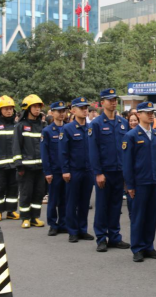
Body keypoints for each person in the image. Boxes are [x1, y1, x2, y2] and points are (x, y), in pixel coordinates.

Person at [88, 88, 131, 252]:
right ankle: (101, 237)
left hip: (119, 171)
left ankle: (114, 236)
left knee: (116, 205)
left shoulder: (123, 123)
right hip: (104, 172)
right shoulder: (96, 124)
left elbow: (126, 150)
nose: (113, 102)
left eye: (115, 100)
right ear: (102, 102)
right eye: (110, 100)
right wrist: (98, 173)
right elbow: (93, 150)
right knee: (102, 206)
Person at [123, 101, 156, 262]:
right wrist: (130, 185)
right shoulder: (131, 136)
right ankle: (138, 248)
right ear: (138, 115)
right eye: (147, 112)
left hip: (153, 182)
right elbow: (127, 164)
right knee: (138, 216)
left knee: (151, 216)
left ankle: (149, 246)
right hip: (139, 183)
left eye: (152, 111)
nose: (150, 114)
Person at [59, 97, 94, 242]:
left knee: (85, 202)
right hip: (74, 170)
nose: (85, 110)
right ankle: (72, 230)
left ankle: (82, 229)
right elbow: (63, 152)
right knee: (72, 202)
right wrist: (65, 170)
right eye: (81, 108)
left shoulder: (91, 127)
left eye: (86, 107)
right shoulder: (67, 128)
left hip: (88, 170)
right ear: (73, 110)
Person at [13, 94, 46, 229]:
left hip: (40, 167)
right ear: (28, 109)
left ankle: (34, 217)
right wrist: (19, 165)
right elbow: (16, 146)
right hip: (26, 168)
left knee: (38, 193)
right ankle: (25, 218)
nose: (37, 110)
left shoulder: (42, 125)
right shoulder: (20, 126)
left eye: (38, 107)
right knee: (26, 193)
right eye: (34, 107)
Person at [41, 101, 68, 236]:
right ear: (52, 113)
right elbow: (45, 153)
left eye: (63, 111)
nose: (62, 114)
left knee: (65, 198)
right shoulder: (47, 131)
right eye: (59, 111)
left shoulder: (67, 129)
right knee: (53, 199)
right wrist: (48, 172)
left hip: (66, 170)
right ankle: (53, 224)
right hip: (54, 170)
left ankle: (63, 223)